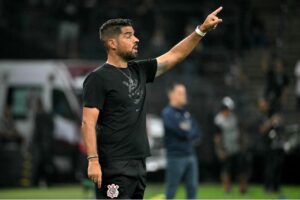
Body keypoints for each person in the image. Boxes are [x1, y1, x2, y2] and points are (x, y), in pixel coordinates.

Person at [81, 6, 223, 199]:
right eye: (128, 36)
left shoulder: (139, 70)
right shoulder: (98, 78)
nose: (136, 39)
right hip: (113, 164)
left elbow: (174, 55)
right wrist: (93, 160)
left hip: (138, 164)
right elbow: (88, 122)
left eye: (134, 35)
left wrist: (201, 31)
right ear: (112, 43)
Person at [162, 83, 200, 199]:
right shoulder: (168, 113)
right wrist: (187, 132)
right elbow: (180, 132)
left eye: (184, 93)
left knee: (192, 189)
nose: (184, 95)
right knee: (171, 190)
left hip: (190, 155)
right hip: (175, 157)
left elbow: (197, 131)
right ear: (171, 95)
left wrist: (186, 131)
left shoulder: (185, 113)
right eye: (180, 93)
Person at [213, 97, 247, 193]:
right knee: (226, 169)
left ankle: (242, 188)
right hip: (225, 148)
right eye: (228, 109)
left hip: (236, 147)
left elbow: (239, 131)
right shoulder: (218, 120)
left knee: (240, 168)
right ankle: (227, 189)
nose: (229, 111)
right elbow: (217, 137)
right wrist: (219, 150)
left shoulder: (233, 117)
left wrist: (242, 144)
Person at [257, 98, 284, 193]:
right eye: (262, 105)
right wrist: (271, 121)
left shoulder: (270, 113)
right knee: (269, 167)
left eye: (265, 104)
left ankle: (276, 187)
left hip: (276, 144)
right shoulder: (259, 116)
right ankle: (268, 187)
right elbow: (262, 130)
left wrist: (277, 121)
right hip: (266, 145)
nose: (264, 106)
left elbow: (280, 125)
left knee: (277, 166)